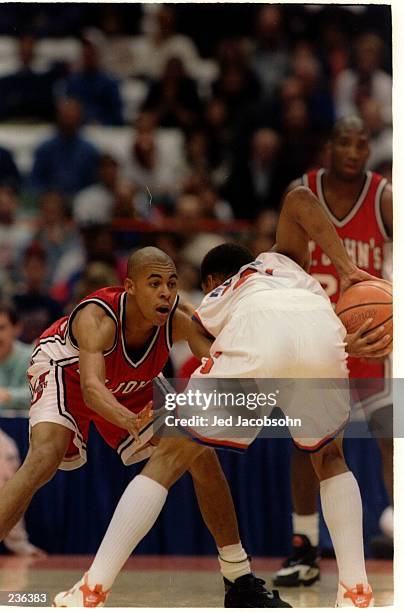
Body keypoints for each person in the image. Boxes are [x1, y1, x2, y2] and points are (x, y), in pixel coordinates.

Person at [55, 185, 385, 608]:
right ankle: (356, 590)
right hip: (323, 331)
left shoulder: (217, 295)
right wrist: (350, 272)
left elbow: (226, 347)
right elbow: (301, 197)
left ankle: (91, 589)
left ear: (213, 280)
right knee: (331, 457)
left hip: (260, 333)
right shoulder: (286, 263)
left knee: (170, 457)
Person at [0, 246, 288, 608]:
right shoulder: (97, 317)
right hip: (67, 369)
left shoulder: (179, 317)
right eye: (154, 283)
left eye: (171, 283)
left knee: (200, 451)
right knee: (45, 456)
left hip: (131, 383)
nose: (166, 292)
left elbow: (224, 362)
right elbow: (91, 389)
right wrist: (127, 420)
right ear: (130, 287)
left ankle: (239, 578)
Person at [273, 115, 393, 587]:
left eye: (361, 144)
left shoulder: (384, 197)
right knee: (307, 447)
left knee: (393, 438)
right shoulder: (301, 191)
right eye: (344, 142)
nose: (353, 152)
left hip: (374, 342)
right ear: (329, 147)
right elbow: (282, 263)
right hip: (318, 342)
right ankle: (304, 548)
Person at [0, 301, 45, 557]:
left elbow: (43, 392)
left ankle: (18, 542)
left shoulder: (32, 357)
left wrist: (8, 396)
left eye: (2, 328)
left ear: (16, 328)